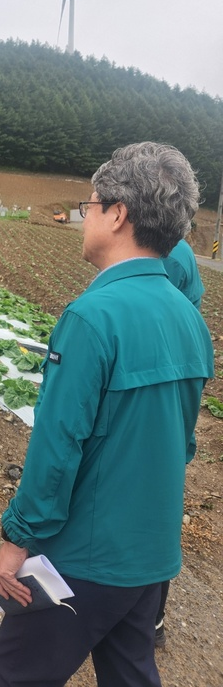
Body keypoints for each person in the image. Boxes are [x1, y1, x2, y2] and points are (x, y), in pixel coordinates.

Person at [0, 142, 213, 687]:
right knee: (130, 678)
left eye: (90, 204)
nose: (85, 215)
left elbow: (57, 447)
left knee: (20, 673)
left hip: (89, 554)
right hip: (152, 550)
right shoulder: (189, 316)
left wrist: (18, 539)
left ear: (117, 213)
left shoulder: (93, 317)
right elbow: (181, 442)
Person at [155, 237, 205, 648]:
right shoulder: (176, 247)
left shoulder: (166, 255)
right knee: (160, 499)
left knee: (145, 506)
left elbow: (153, 319)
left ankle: (148, 618)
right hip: (174, 369)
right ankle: (150, 619)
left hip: (160, 371)